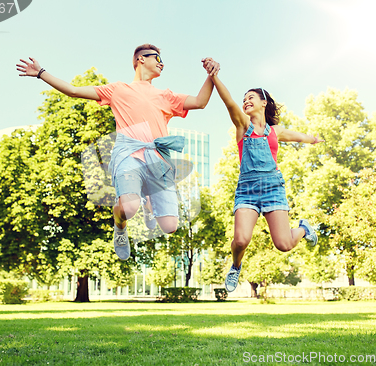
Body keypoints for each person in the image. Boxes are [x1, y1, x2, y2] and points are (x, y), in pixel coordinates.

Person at [17, 44, 220, 261]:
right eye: (157, 57)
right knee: (129, 208)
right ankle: (120, 226)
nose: (162, 62)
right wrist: (40, 73)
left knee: (170, 226)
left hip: (158, 159)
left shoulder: (165, 95)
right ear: (140, 59)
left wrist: (211, 75)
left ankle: (148, 199)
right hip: (129, 154)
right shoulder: (118, 89)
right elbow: (74, 91)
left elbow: (200, 102)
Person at [206, 69, 323, 292]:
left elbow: (297, 136)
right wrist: (214, 76)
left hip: (273, 189)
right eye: (244, 99)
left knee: (284, 244)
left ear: (263, 102)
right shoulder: (242, 125)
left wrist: (312, 139)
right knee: (240, 241)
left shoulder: (274, 131)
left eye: (250, 97)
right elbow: (228, 101)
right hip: (247, 190)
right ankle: (236, 266)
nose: (245, 101)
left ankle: (304, 229)